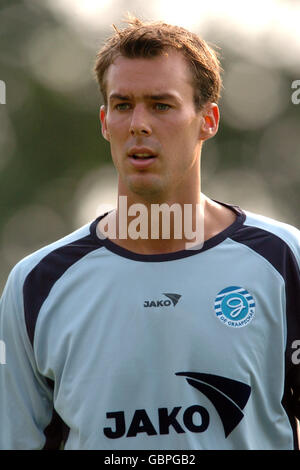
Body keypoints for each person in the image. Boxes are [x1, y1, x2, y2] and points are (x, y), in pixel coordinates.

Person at [1, 14, 300, 451]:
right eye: (123, 105)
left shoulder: (283, 259)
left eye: (161, 105)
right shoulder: (36, 284)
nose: (139, 123)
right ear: (105, 122)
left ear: (208, 120)